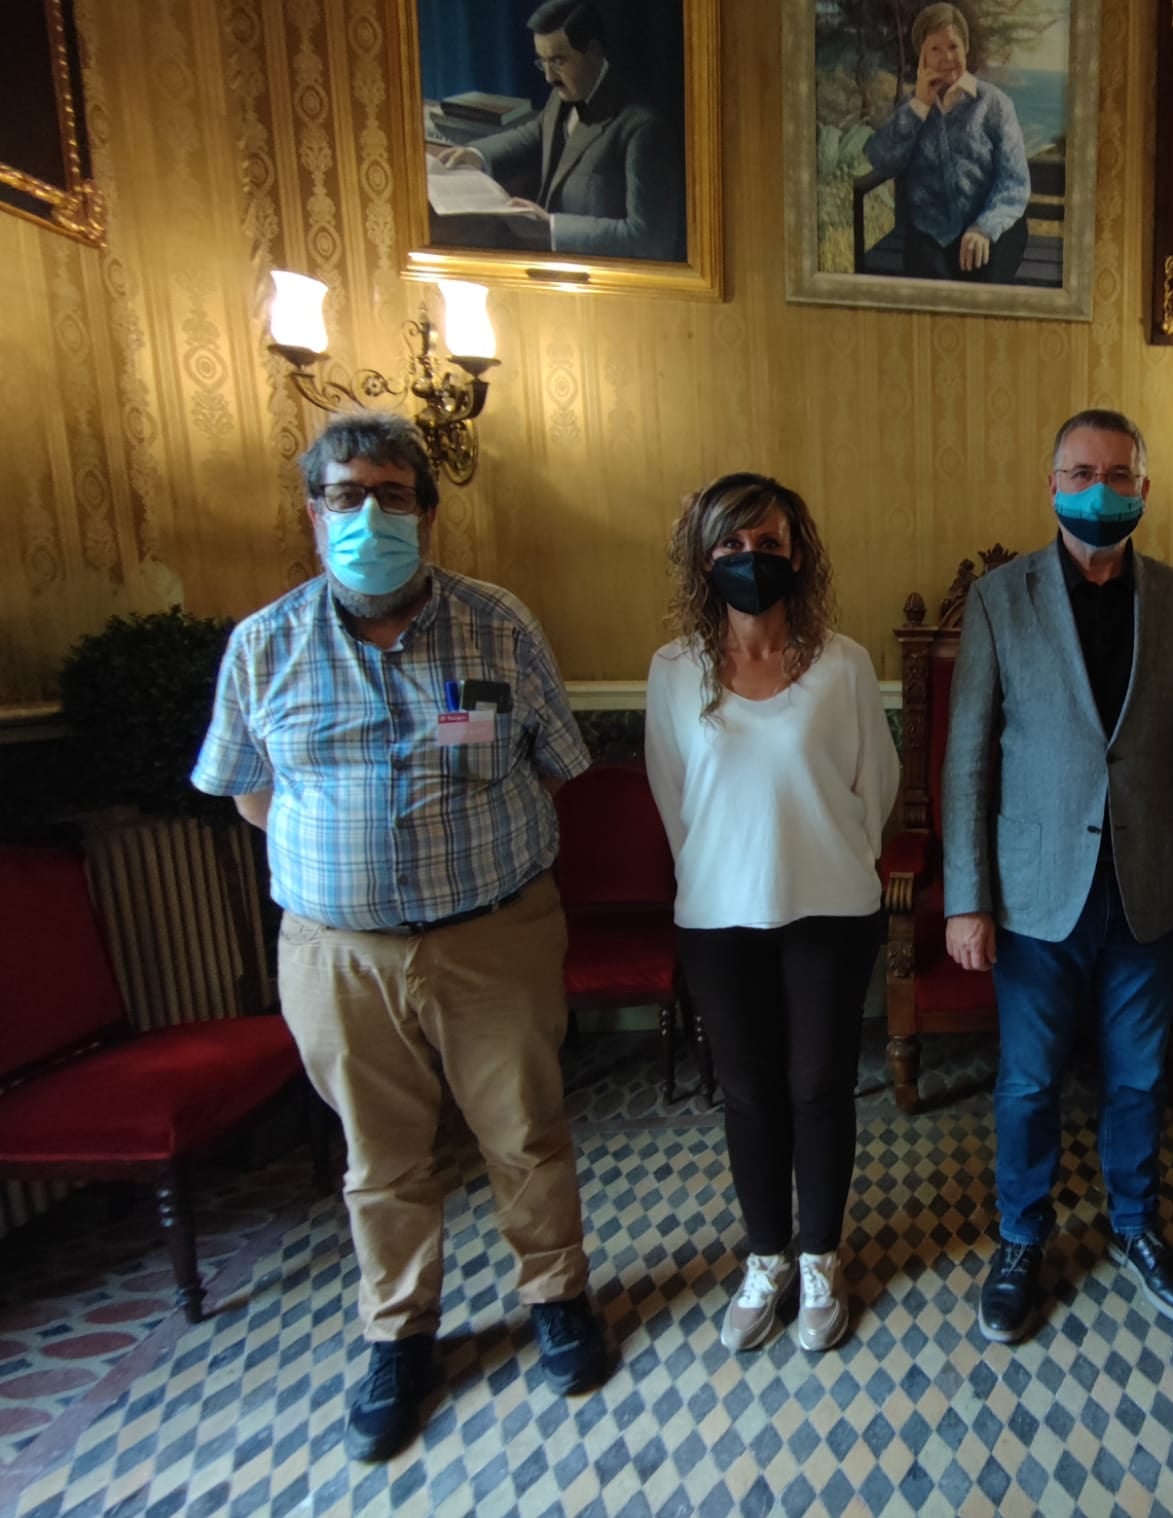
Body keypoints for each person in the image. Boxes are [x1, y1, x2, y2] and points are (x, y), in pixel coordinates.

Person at [191, 411, 608, 1463]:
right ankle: (400, 1334)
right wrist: (351, 867)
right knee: (379, 1158)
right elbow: (249, 796)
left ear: (428, 512)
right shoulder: (264, 646)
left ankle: (557, 1296)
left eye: (391, 496)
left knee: (525, 1132)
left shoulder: (496, 626)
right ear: (313, 513)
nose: (369, 516)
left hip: (494, 934)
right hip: (339, 954)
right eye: (347, 496)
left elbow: (554, 763)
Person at [944, 408, 1173, 1343]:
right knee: (1028, 1083)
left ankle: (1137, 1224)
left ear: (1144, 488)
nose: (1098, 490)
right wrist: (965, 899)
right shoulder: (1001, 598)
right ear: (1052, 485)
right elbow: (969, 759)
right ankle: (1022, 1237)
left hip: (1149, 886)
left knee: (1139, 1079)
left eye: (1117, 475)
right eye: (1080, 473)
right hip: (1035, 893)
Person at [646, 473, 899, 1355]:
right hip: (719, 916)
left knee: (819, 1088)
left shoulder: (843, 664)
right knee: (750, 1095)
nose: (750, 559)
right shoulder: (674, 671)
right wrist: (727, 871)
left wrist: (826, 858)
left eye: (768, 543)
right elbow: (674, 799)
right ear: (703, 558)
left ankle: (821, 1257)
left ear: (799, 554)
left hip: (829, 909)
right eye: (731, 544)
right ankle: (766, 1259)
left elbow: (875, 788)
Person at [432, 0, 682, 260]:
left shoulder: (643, 130)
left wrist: (551, 227)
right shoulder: (564, 94)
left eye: (559, 61)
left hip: (595, 272)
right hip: (550, 258)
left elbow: (650, 239)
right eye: (543, 62)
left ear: (593, 51)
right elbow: (535, 133)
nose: (549, 77)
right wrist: (477, 155)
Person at [862, 4, 1033, 283]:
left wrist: (983, 228)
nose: (947, 58)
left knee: (985, 287)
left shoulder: (994, 104)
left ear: (966, 47)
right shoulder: (910, 107)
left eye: (953, 46)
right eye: (935, 49)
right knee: (933, 289)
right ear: (922, 56)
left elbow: (1014, 183)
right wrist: (920, 106)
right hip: (930, 233)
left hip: (994, 225)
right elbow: (881, 159)